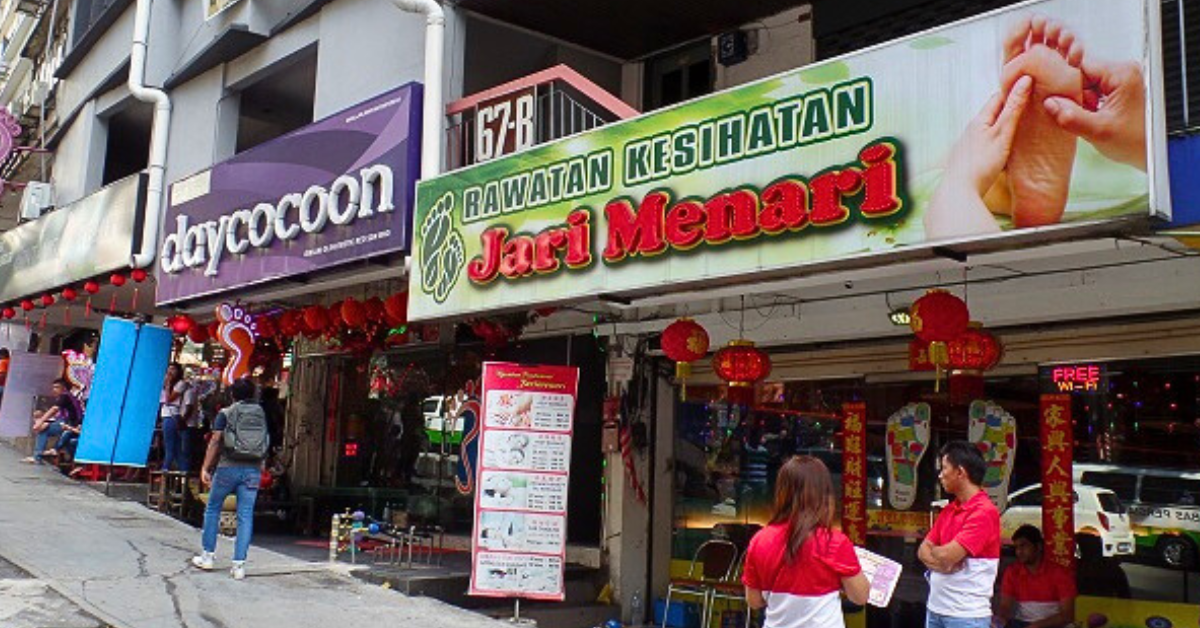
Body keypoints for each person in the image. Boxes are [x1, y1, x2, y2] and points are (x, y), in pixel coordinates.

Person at [742, 456, 869, 628]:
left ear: (781, 493)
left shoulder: (760, 540)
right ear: (824, 495)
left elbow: (754, 601)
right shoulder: (834, 542)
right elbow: (860, 596)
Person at [192, 378, 269, 580]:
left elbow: (216, 441)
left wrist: (205, 467)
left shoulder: (225, 413)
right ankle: (239, 565)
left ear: (232, 395)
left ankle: (207, 556)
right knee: (245, 515)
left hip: (228, 467)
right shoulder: (260, 413)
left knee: (213, 508)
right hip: (252, 469)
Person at [919, 440, 1001, 628]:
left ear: (960, 472)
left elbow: (949, 556)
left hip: (966, 617)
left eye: (944, 468)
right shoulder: (949, 509)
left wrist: (937, 553)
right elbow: (922, 551)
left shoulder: (984, 512)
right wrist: (941, 559)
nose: (940, 475)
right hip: (935, 610)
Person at [995, 525, 1076, 628]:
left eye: (1023, 546)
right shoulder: (1012, 572)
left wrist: (1037, 626)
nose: (1019, 551)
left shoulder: (1060, 573)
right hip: (1022, 623)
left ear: (1039, 546)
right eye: (1016, 547)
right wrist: (1000, 620)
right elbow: (1005, 606)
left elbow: (1067, 616)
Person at [24, 378, 83, 464]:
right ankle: (39, 456)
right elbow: (57, 415)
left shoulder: (65, 396)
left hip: (71, 424)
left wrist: (41, 421)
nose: (54, 390)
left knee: (44, 430)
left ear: (64, 388)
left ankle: (37, 457)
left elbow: (54, 409)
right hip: (67, 423)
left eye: (57, 387)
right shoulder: (68, 397)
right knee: (44, 426)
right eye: (53, 387)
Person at [159, 363, 191, 473]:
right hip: (167, 415)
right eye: (169, 369)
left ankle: (165, 468)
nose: (170, 372)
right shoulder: (167, 383)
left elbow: (169, 399)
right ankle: (184, 472)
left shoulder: (180, 384)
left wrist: (168, 385)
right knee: (177, 449)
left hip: (171, 415)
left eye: (173, 369)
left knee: (169, 446)